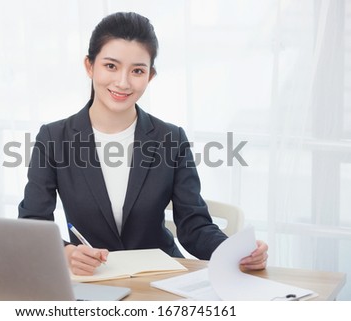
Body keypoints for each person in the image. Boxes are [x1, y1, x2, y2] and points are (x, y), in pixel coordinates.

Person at [18, 12, 268, 276]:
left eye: (137, 70)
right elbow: (32, 224)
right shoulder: (53, 138)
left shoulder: (171, 140)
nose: (123, 82)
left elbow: (193, 225)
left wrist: (237, 252)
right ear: (90, 66)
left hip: (162, 278)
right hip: (93, 280)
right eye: (111, 66)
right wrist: (67, 253)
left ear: (150, 76)